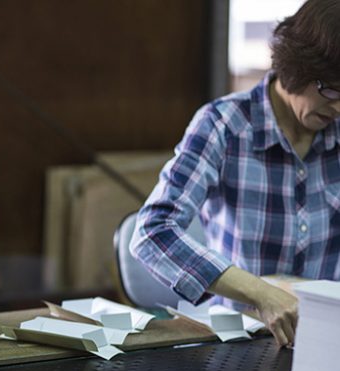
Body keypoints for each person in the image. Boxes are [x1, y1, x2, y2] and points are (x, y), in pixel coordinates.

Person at [130, 0, 340, 347]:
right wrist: (262, 293)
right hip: (240, 339)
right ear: (297, 66)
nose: (338, 107)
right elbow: (153, 232)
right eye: (331, 88)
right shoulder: (223, 126)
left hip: (325, 342)